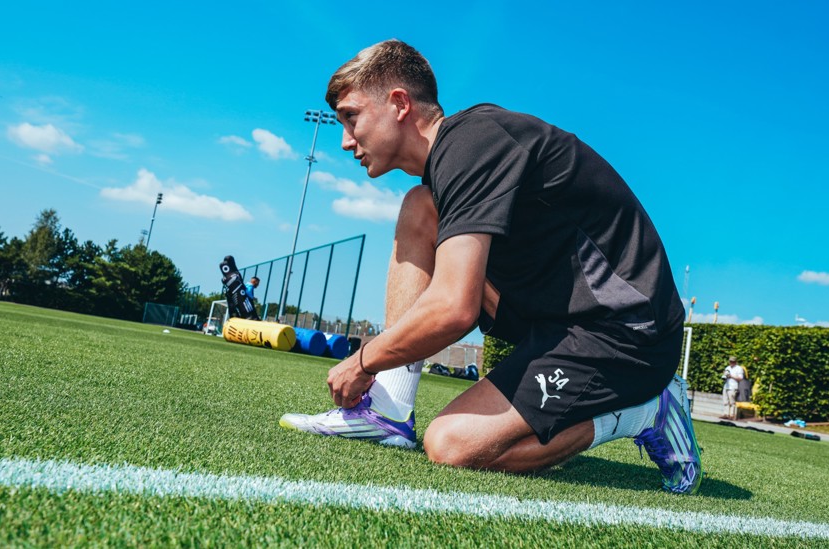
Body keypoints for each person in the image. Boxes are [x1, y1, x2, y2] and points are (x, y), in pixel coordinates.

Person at [279, 39, 701, 494]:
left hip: (625, 332)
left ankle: (648, 408)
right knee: (421, 207)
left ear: (399, 103)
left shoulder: (472, 144)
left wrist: (362, 361)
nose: (345, 140)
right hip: (556, 317)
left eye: (351, 117)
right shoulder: (450, 162)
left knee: (451, 445)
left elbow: (454, 308)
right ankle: (388, 409)